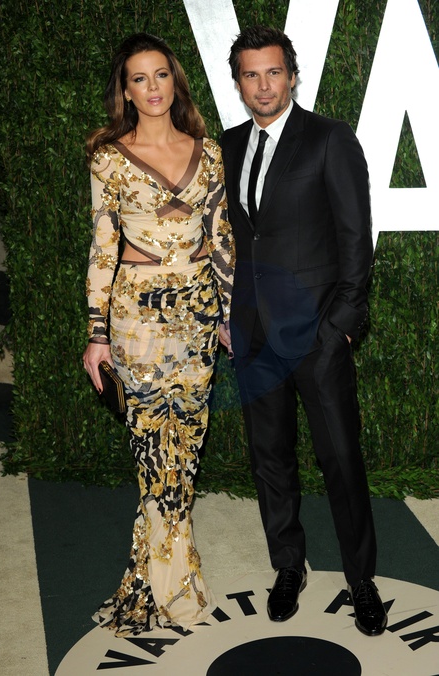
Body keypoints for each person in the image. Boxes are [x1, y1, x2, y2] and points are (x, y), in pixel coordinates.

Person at [220, 25, 387, 636]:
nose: (263, 85)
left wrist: (340, 327)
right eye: (251, 75)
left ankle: (362, 580)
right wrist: (229, 318)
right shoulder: (229, 145)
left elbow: (355, 239)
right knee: (270, 459)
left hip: (317, 337)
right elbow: (232, 241)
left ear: (292, 75)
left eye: (273, 72)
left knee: (340, 459)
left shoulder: (330, 139)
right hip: (253, 336)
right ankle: (288, 566)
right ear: (238, 83)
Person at [82, 32, 234, 636]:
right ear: (125, 91)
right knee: (153, 450)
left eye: (161, 75)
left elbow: (221, 239)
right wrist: (97, 334)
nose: (152, 88)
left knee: (186, 447)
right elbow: (103, 248)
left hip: (197, 317)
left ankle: (160, 576)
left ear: (175, 81)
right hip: (136, 321)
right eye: (138, 79)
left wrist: (228, 315)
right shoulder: (108, 158)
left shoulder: (209, 152)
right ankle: (170, 586)